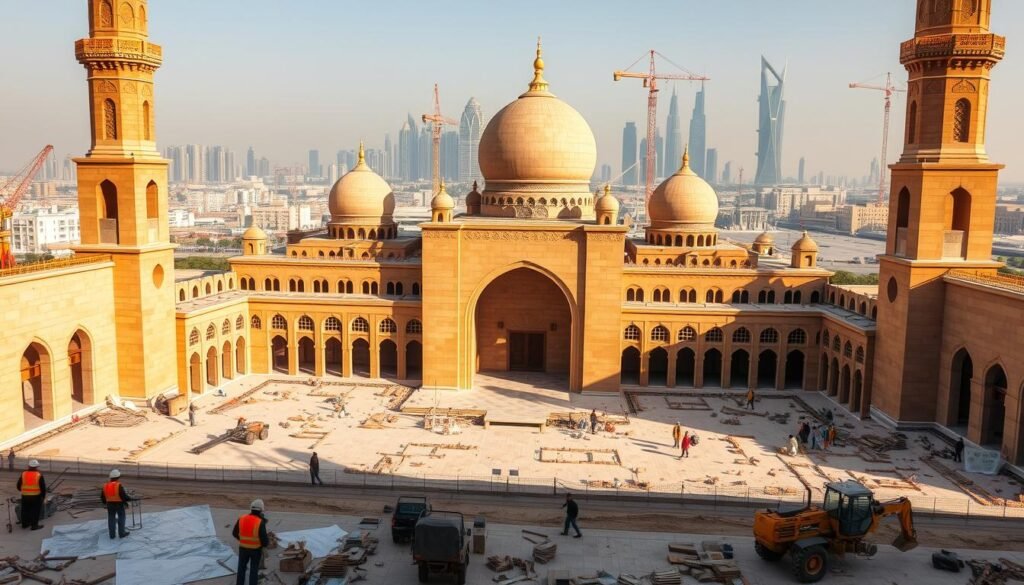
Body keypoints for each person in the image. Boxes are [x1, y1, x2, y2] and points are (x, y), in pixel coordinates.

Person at [233, 499, 270, 585]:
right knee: (254, 570)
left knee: (241, 569)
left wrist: (242, 540)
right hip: (255, 550)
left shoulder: (241, 518)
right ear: (261, 510)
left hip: (243, 549)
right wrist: (264, 545)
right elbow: (264, 541)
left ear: (251, 509)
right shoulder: (260, 522)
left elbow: (234, 533)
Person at [100, 469, 133, 539]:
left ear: (110, 477)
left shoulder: (105, 485)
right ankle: (122, 533)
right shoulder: (118, 485)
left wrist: (104, 503)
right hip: (119, 504)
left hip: (109, 504)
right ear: (118, 477)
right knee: (121, 517)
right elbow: (123, 496)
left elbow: (102, 496)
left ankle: (112, 535)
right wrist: (127, 501)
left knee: (111, 518)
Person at [16, 459, 46, 530]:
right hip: (36, 496)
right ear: (36, 467)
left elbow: (18, 485)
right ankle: (34, 526)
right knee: (35, 511)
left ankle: (25, 524)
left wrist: (23, 490)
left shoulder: (23, 474)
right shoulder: (39, 475)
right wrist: (43, 497)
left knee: (25, 510)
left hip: (25, 496)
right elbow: (43, 487)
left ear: (28, 466)